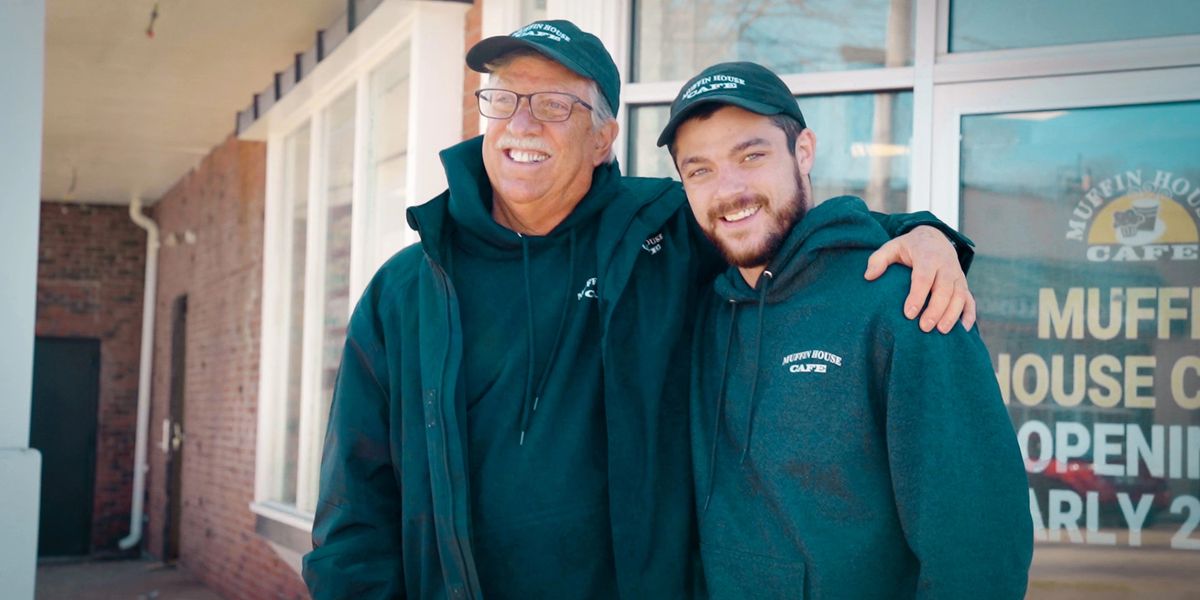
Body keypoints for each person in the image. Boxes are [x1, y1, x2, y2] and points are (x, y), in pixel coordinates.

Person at [302, 20, 976, 599]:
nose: (521, 122)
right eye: (502, 98)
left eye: (554, 105)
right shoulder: (409, 289)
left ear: (604, 139)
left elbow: (773, 222)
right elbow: (352, 508)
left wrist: (919, 235)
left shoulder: (663, 238)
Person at [658, 61, 1033, 599]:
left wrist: (927, 235)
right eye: (700, 170)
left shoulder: (906, 302)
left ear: (803, 151)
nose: (730, 189)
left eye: (752, 155)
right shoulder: (699, 307)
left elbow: (979, 547)